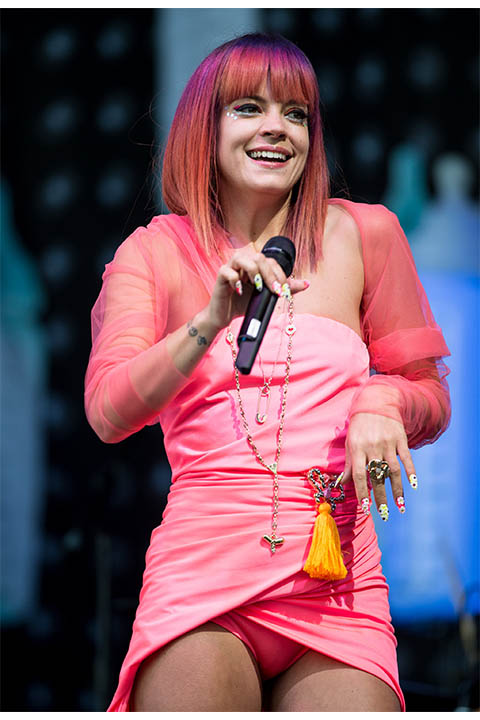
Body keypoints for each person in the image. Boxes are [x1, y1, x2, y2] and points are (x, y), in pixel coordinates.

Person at [84, 33, 451, 712]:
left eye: (296, 113)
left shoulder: (366, 233)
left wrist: (382, 400)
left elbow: (429, 393)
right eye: (249, 108)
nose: (277, 128)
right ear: (206, 128)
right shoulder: (155, 251)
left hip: (336, 580)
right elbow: (108, 411)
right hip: (204, 579)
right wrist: (209, 321)